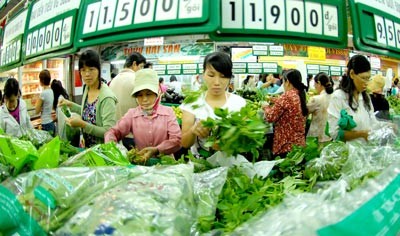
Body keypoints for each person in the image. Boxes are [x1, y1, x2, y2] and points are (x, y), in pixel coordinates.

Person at [105, 69, 181, 161]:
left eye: (148, 94)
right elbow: (112, 132)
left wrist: (157, 150)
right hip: (141, 164)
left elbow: (177, 140)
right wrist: (113, 148)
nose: (144, 99)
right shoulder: (132, 114)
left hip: (165, 164)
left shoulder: (168, 113)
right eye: (140, 95)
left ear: (157, 93)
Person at [180, 52, 246, 157]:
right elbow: (184, 143)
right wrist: (193, 130)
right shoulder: (192, 102)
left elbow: (245, 144)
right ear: (203, 74)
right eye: (211, 75)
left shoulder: (239, 103)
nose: (217, 82)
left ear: (229, 78)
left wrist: (230, 141)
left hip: (230, 164)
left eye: (223, 76)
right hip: (200, 164)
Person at [59, 49, 117, 147]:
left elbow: (108, 131)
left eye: (91, 69)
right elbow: (88, 112)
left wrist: (82, 125)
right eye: (83, 70)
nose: (87, 74)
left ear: (98, 70)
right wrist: (70, 104)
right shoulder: (87, 88)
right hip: (88, 148)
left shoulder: (107, 97)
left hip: (103, 152)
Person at [327, 55, 384, 141]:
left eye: (368, 78)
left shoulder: (366, 97)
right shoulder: (338, 97)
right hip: (348, 152)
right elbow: (335, 133)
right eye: (363, 78)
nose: (366, 83)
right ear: (352, 74)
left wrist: (385, 126)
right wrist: (361, 134)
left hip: (365, 150)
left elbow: (373, 122)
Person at [263, 69, 308, 157]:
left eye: (283, 81)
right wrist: (275, 100)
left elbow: (270, 117)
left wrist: (266, 107)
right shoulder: (299, 94)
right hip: (298, 143)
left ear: (287, 82)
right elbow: (289, 106)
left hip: (285, 144)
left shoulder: (287, 96)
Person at [109, 52, 146, 149]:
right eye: (141, 67)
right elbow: (145, 109)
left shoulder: (113, 81)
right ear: (134, 64)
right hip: (134, 136)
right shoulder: (137, 79)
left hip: (117, 135)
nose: (141, 70)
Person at [306, 72, 334, 142]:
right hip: (330, 136)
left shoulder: (316, 99)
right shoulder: (335, 97)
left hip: (316, 137)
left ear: (318, 83)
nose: (314, 86)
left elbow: (305, 113)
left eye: (314, 84)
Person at [35, 69, 55, 135]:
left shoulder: (43, 94)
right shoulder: (51, 91)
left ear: (42, 80)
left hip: (45, 123)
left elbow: (36, 111)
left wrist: (37, 100)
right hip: (51, 122)